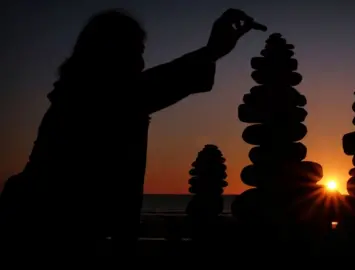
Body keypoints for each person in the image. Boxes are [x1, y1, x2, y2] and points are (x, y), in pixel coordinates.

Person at [0, 8, 267, 255]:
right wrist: (212, 50)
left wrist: (213, 51)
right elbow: (149, 87)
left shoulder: (79, 95)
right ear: (108, 51)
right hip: (45, 232)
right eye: (135, 51)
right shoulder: (91, 98)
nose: (141, 63)